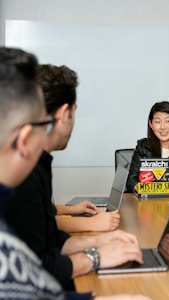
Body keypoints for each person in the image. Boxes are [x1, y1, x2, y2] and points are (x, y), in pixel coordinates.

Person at [0, 47, 149, 300]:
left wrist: (96, 244)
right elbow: (37, 271)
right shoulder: (22, 184)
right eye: (40, 123)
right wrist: (96, 257)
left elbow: (30, 273)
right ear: (24, 139)